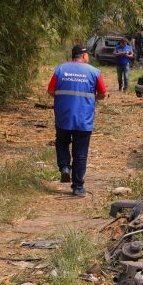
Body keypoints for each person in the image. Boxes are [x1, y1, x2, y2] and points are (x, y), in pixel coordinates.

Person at [47, 45, 107, 196]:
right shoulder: (94, 72)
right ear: (84, 56)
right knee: (80, 153)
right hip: (84, 119)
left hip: (64, 117)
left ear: (72, 56)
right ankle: (78, 187)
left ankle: (65, 167)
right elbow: (103, 93)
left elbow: (51, 91)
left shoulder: (60, 69)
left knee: (61, 141)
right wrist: (93, 99)